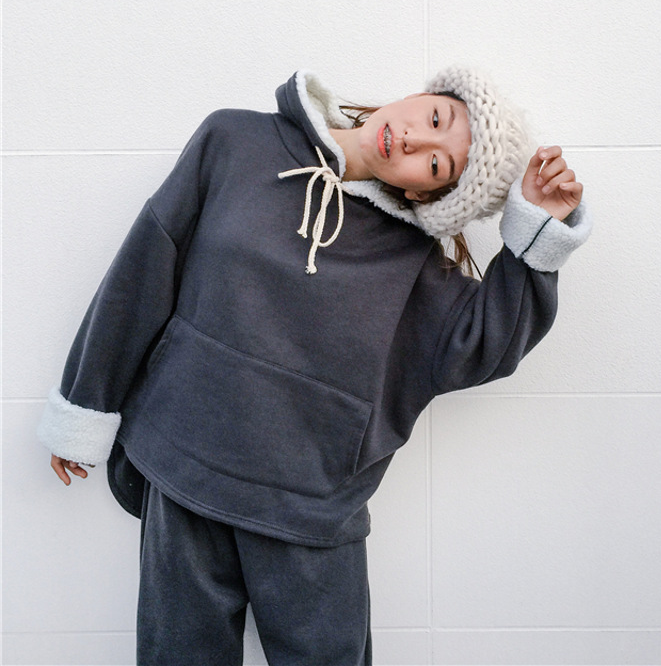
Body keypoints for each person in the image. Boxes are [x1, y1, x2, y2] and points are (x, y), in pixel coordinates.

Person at [38, 66, 591, 666]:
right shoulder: (235, 142)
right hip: (185, 468)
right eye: (436, 118)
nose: (415, 140)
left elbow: (485, 342)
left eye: (437, 165)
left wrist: (536, 232)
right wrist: (86, 403)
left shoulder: (414, 266)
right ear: (425, 94)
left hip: (311, 507)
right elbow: (146, 267)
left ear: (424, 195)